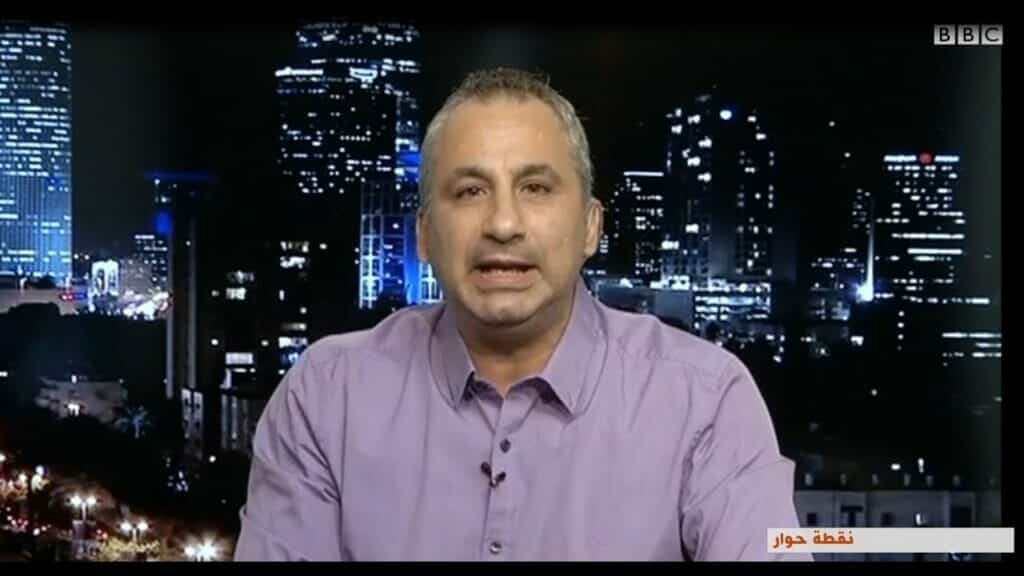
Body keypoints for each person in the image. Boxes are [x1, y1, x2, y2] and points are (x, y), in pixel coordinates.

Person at [234, 67, 809, 561]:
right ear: (425, 235)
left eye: (535, 188)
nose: (503, 224)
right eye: (470, 191)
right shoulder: (326, 397)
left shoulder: (706, 400)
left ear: (591, 226)